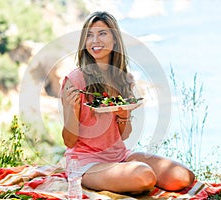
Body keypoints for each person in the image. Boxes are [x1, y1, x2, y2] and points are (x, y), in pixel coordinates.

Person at [60, 11, 195, 194]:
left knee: (183, 177)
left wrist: (123, 115)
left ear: (115, 39)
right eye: (89, 35)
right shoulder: (75, 81)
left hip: (119, 156)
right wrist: (74, 109)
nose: (94, 41)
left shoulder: (123, 79)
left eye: (102, 33)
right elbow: (69, 141)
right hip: (86, 163)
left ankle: (123, 177)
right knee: (145, 176)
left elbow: (124, 135)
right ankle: (124, 179)